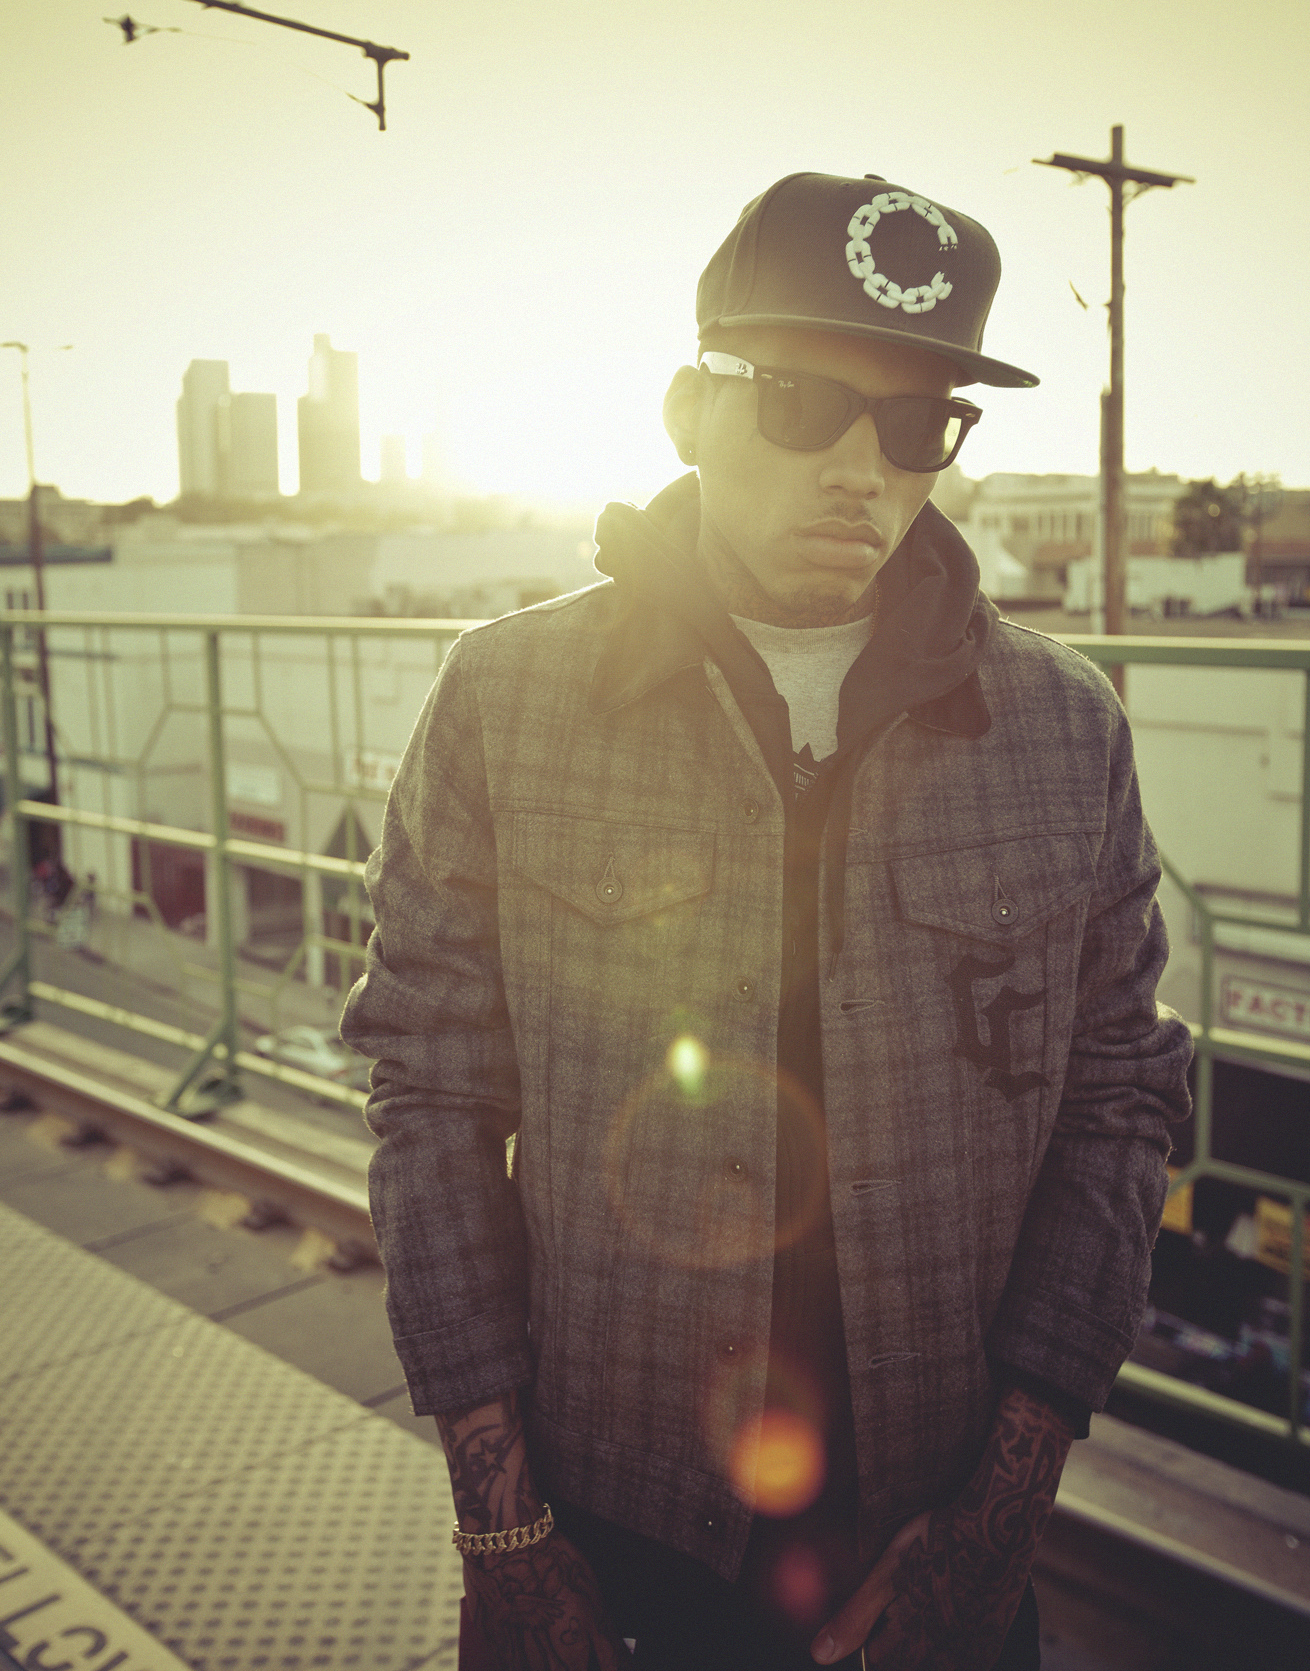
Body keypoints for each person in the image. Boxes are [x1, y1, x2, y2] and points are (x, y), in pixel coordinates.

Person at [340, 170, 1192, 1670]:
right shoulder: (505, 700)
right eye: (803, 404)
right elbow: (431, 1094)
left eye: (917, 424)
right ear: (691, 409)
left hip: (932, 1534)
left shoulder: (1064, 732)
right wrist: (506, 1535)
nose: (862, 470)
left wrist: (998, 1518)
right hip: (605, 1524)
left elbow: (1119, 1100)